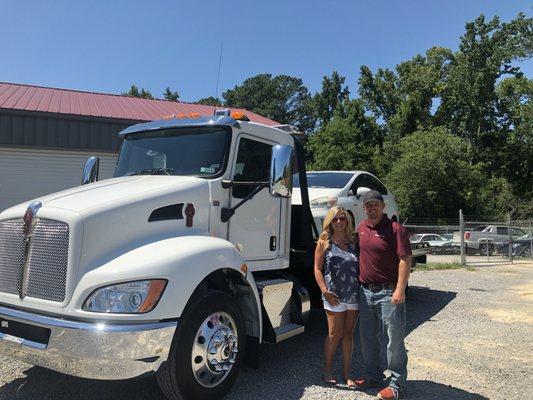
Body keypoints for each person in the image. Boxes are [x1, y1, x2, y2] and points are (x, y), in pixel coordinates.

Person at [356, 190, 412, 400]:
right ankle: (373, 377)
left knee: (394, 339)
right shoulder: (361, 229)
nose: (372, 208)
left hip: (389, 291)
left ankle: (396, 384)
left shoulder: (395, 229)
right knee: (367, 337)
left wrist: (400, 289)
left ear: (383, 207)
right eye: (369, 205)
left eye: (376, 205)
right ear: (364, 208)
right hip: (365, 292)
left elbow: (405, 259)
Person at [314, 206, 359, 388]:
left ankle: (347, 373)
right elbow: (317, 269)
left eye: (342, 219)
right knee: (334, 333)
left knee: (348, 334)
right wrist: (325, 291)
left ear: (347, 221)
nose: (339, 222)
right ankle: (328, 368)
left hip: (353, 294)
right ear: (330, 222)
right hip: (333, 295)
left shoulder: (354, 242)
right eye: (335, 219)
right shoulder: (324, 242)